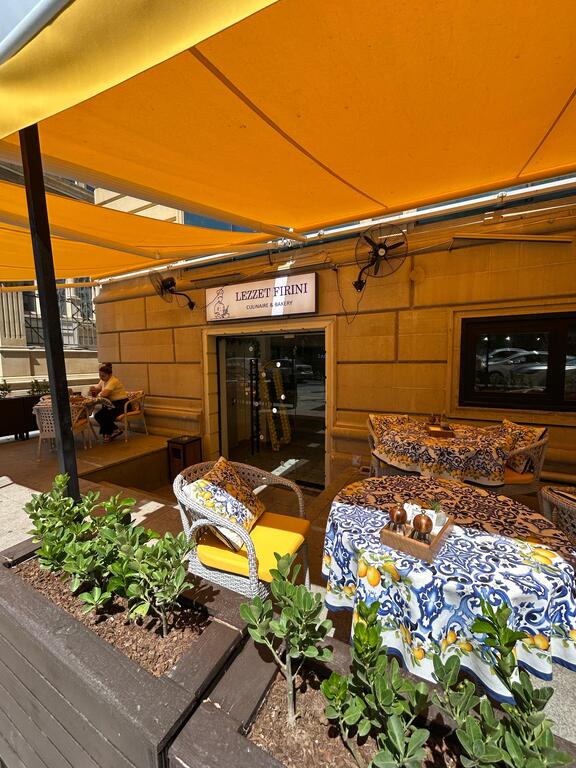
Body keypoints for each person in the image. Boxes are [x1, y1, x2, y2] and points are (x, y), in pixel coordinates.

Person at [90, 363, 128, 443]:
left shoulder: (113, 381)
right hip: (111, 404)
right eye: (100, 375)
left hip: (121, 404)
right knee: (98, 415)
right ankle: (115, 430)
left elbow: (105, 394)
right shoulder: (103, 380)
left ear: (110, 375)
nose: (101, 377)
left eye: (103, 376)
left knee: (106, 416)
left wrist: (98, 393)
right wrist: (93, 389)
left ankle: (108, 434)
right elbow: (98, 388)